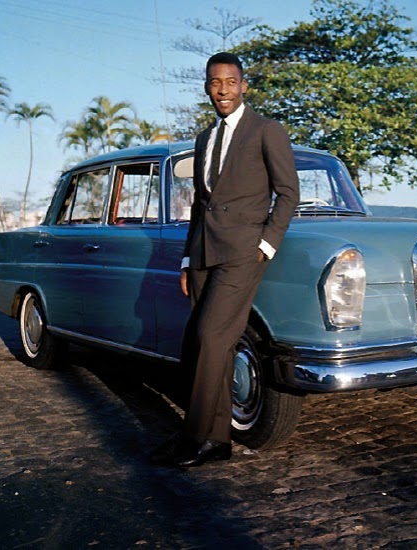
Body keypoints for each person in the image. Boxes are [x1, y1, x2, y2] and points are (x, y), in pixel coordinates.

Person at [151, 52, 300, 468]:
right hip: (203, 253)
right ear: (207, 88)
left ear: (243, 86)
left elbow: (288, 192)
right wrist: (187, 260)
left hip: (242, 253)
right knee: (201, 343)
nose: (223, 90)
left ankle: (195, 436)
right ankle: (216, 440)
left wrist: (265, 245)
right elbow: (201, 204)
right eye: (215, 83)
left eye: (231, 82)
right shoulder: (204, 138)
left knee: (212, 338)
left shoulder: (267, 130)